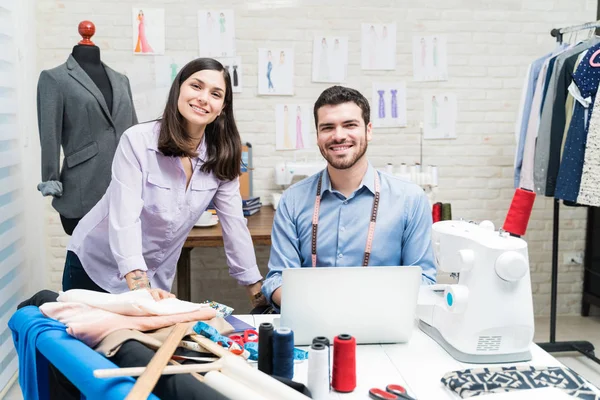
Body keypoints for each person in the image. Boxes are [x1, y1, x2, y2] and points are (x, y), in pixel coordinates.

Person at [63, 58, 264, 305]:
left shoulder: (221, 156)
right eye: (196, 86)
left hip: (153, 279)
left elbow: (234, 224)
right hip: (96, 267)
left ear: (222, 107)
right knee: (87, 343)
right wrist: (139, 287)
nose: (203, 98)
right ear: (178, 88)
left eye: (215, 93)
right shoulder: (138, 141)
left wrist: (256, 288)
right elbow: (125, 217)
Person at [261, 85, 436, 309]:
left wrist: (358, 304)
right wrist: (316, 307)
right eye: (327, 127)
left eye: (350, 125)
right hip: (312, 322)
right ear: (317, 136)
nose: (339, 136)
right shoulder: (292, 201)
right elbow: (277, 280)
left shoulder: (410, 199)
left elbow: (424, 281)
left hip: (384, 322)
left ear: (368, 131)